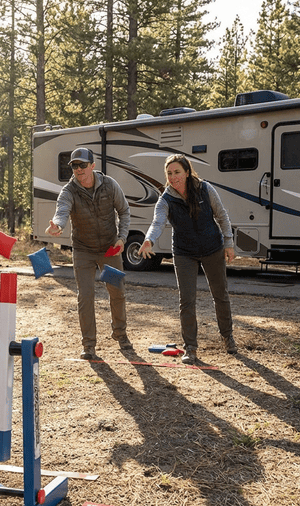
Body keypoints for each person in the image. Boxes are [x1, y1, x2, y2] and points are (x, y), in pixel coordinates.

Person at [139, 153, 237, 365]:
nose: (173, 177)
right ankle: (190, 348)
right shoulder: (166, 198)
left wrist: (228, 243)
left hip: (213, 247)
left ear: (187, 172)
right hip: (184, 252)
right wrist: (149, 240)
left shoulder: (205, 189)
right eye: (169, 173)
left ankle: (227, 337)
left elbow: (222, 215)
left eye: (177, 172)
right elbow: (157, 222)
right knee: (187, 300)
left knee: (220, 295)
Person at [46, 147, 132, 360]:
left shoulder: (110, 185)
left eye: (83, 165)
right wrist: (57, 224)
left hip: (110, 250)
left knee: (117, 292)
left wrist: (122, 238)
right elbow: (62, 211)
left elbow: (124, 211)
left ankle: (120, 334)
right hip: (83, 251)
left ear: (93, 166)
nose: (79, 170)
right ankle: (89, 345)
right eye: (75, 166)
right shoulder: (68, 191)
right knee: (85, 296)